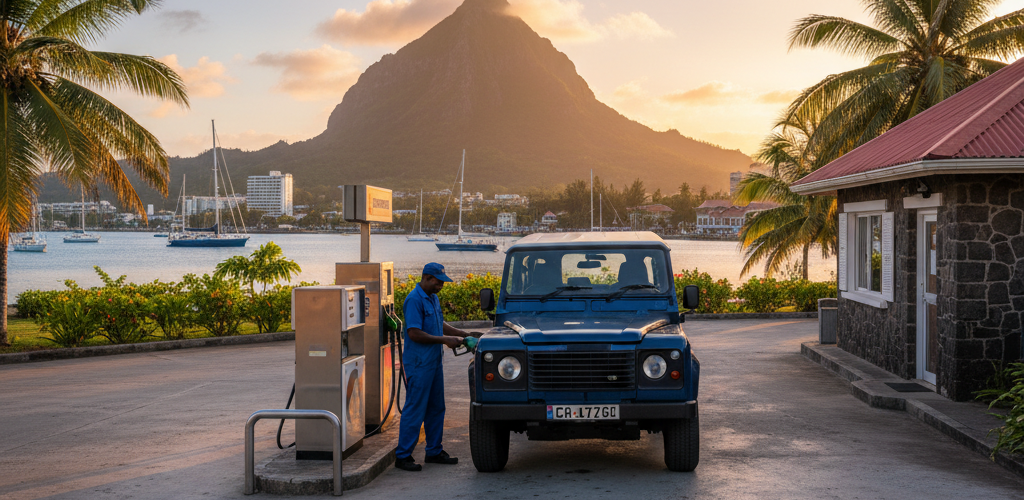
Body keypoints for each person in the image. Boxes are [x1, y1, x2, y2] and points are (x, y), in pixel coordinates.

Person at [395, 262, 480, 471]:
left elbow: (440, 323)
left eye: (442, 282)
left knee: (436, 408)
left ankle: (434, 451)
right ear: (426, 277)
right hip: (418, 364)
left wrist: (462, 334)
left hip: (433, 363)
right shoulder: (414, 300)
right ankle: (403, 456)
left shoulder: (432, 298)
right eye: (438, 282)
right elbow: (414, 333)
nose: (441, 286)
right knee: (415, 409)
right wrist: (444, 340)